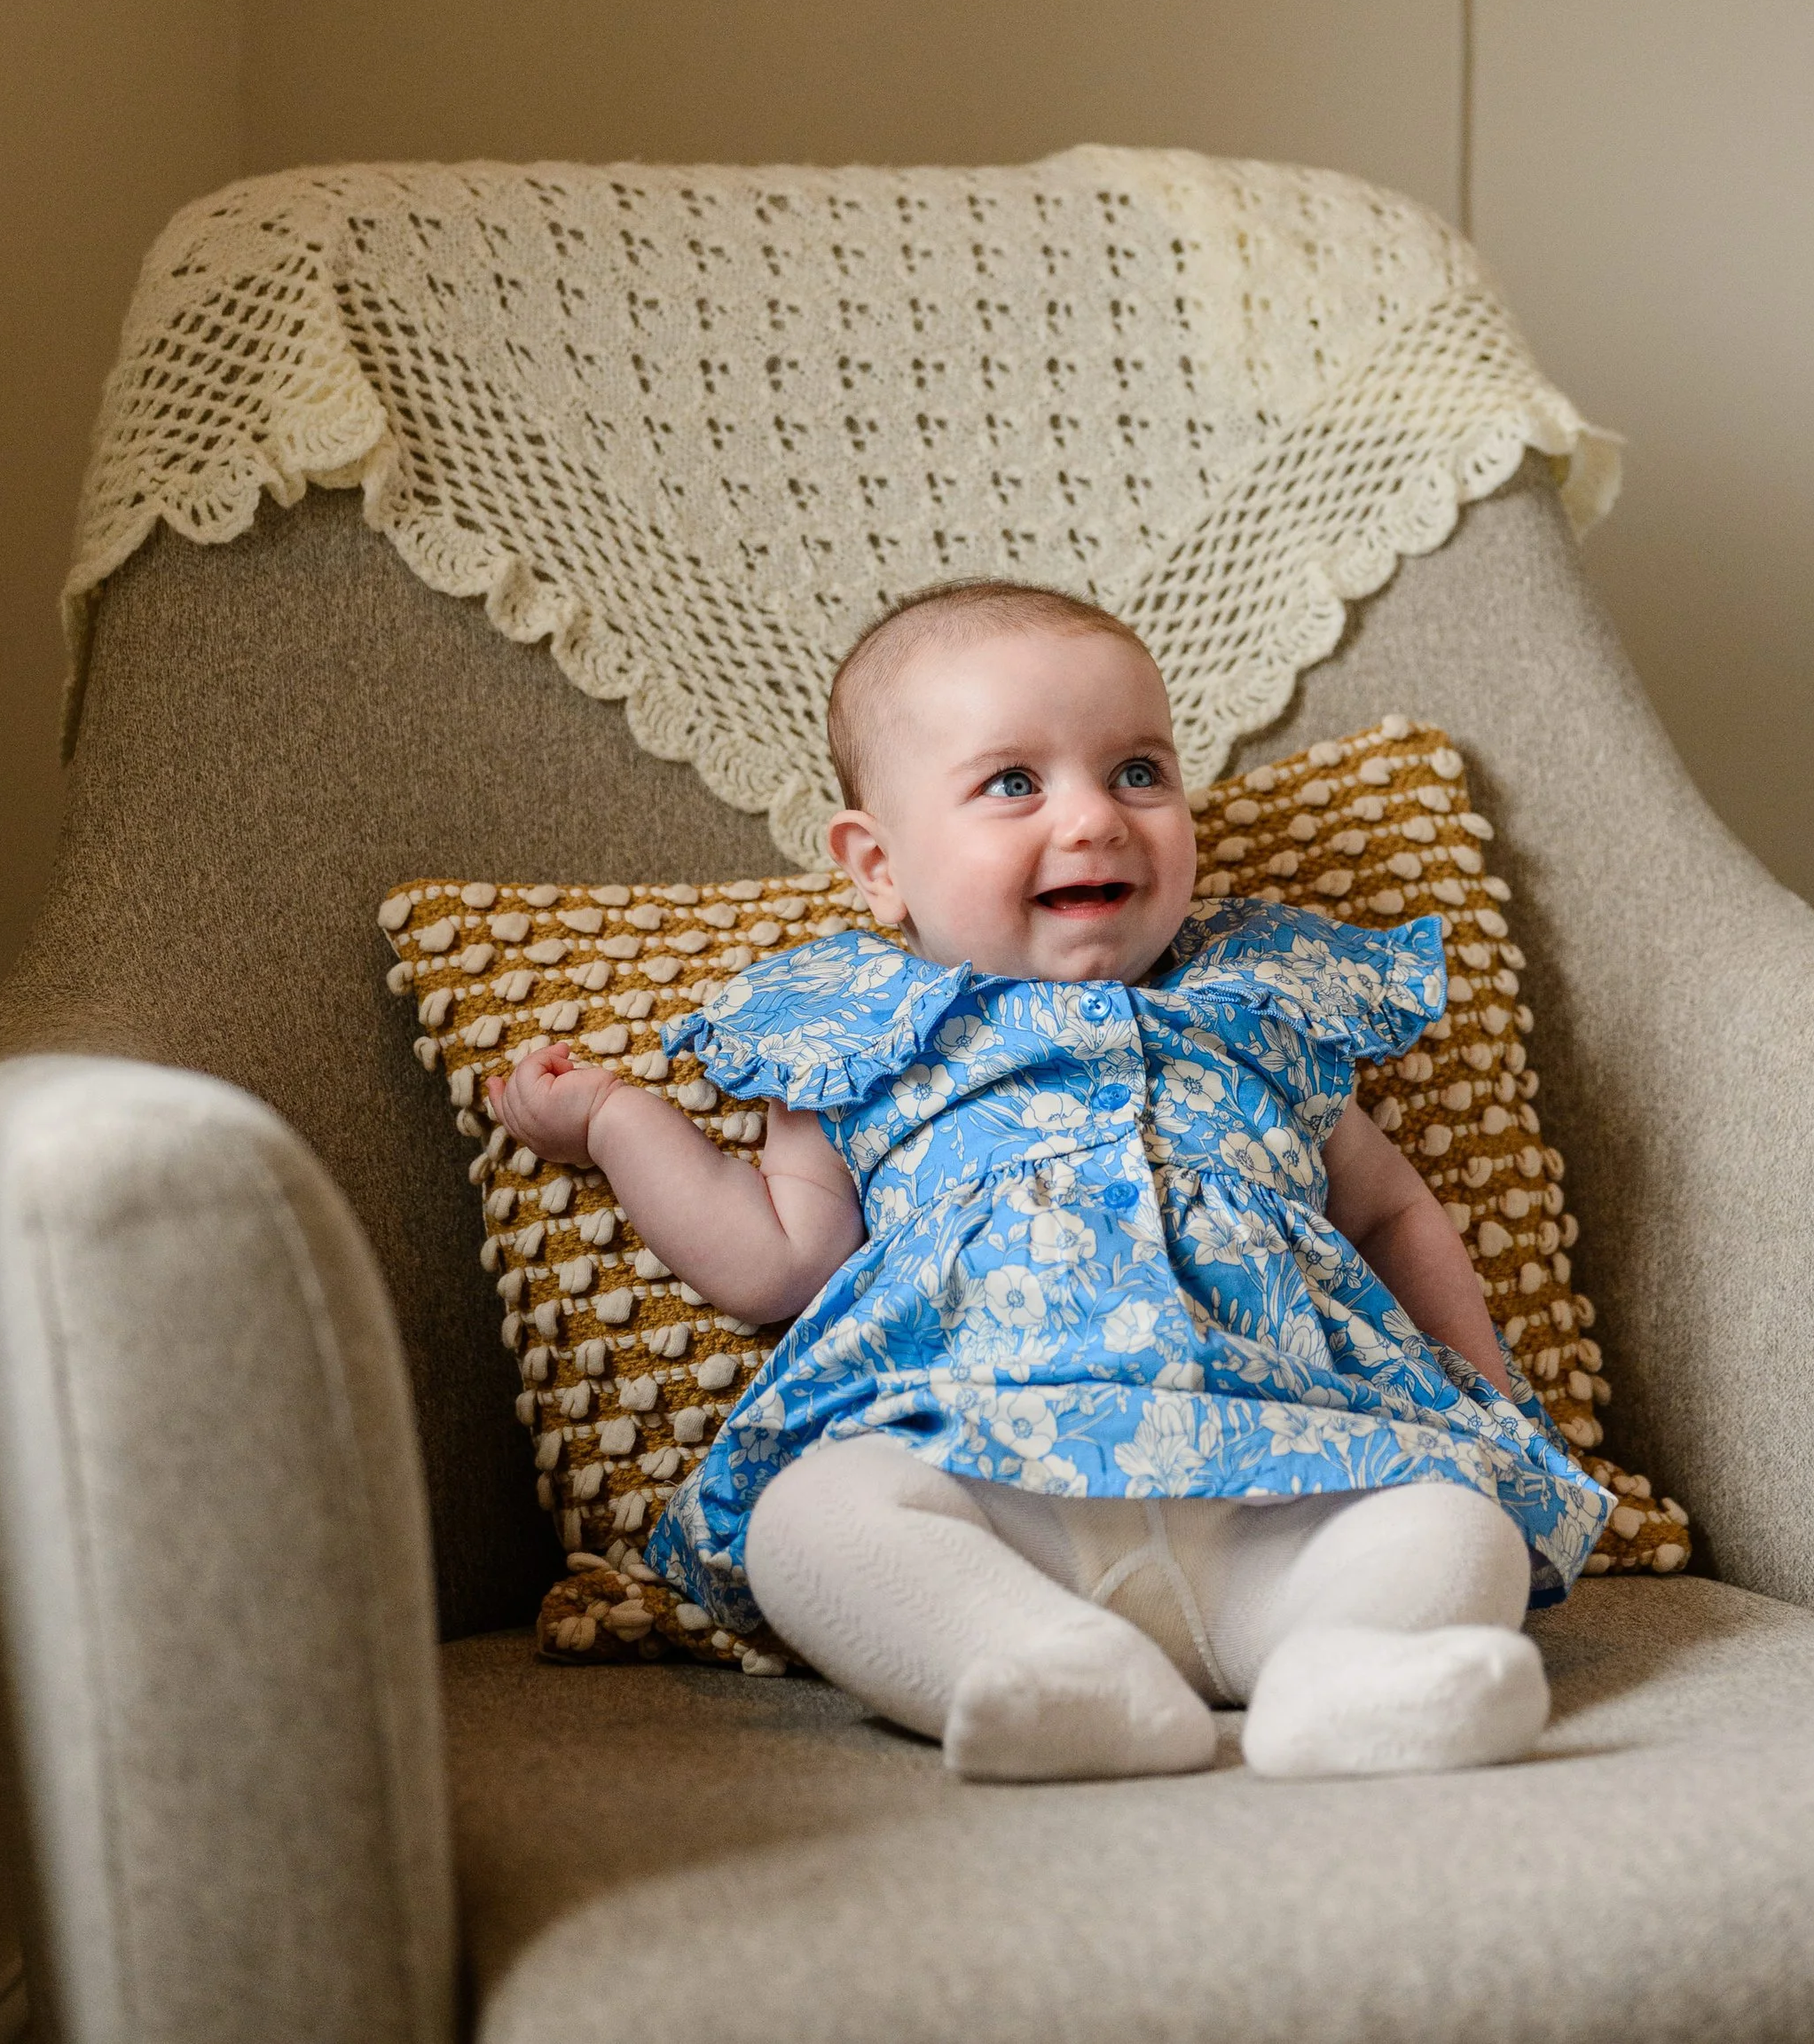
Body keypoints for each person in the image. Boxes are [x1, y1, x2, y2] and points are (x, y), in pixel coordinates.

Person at [488, 582, 1610, 1781]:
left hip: (1287, 1477)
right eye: (1013, 783)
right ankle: (1044, 1666)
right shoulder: (862, 1029)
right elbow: (775, 1255)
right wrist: (615, 1118)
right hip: (987, 1490)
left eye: (1138, 771)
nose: (1094, 819)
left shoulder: (1260, 1005)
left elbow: (1388, 1208)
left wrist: (1483, 1402)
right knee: (808, 1520)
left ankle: (1341, 1673)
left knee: (1456, 1523)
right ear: (878, 864)